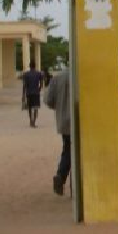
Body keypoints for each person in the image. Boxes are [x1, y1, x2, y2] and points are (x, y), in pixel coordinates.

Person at [46, 68, 71, 196]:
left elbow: (48, 100)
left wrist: (60, 106)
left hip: (64, 122)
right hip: (80, 120)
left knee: (67, 148)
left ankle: (61, 175)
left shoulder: (57, 78)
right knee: (74, 151)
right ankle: (62, 175)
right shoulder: (82, 77)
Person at [21, 61, 43, 127]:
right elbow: (41, 84)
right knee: (36, 107)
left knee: (30, 107)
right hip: (36, 93)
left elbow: (24, 85)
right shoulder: (39, 73)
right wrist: (39, 90)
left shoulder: (26, 74)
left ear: (29, 66)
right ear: (35, 66)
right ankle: (34, 122)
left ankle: (31, 120)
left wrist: (23, 95)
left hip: (29, 93)